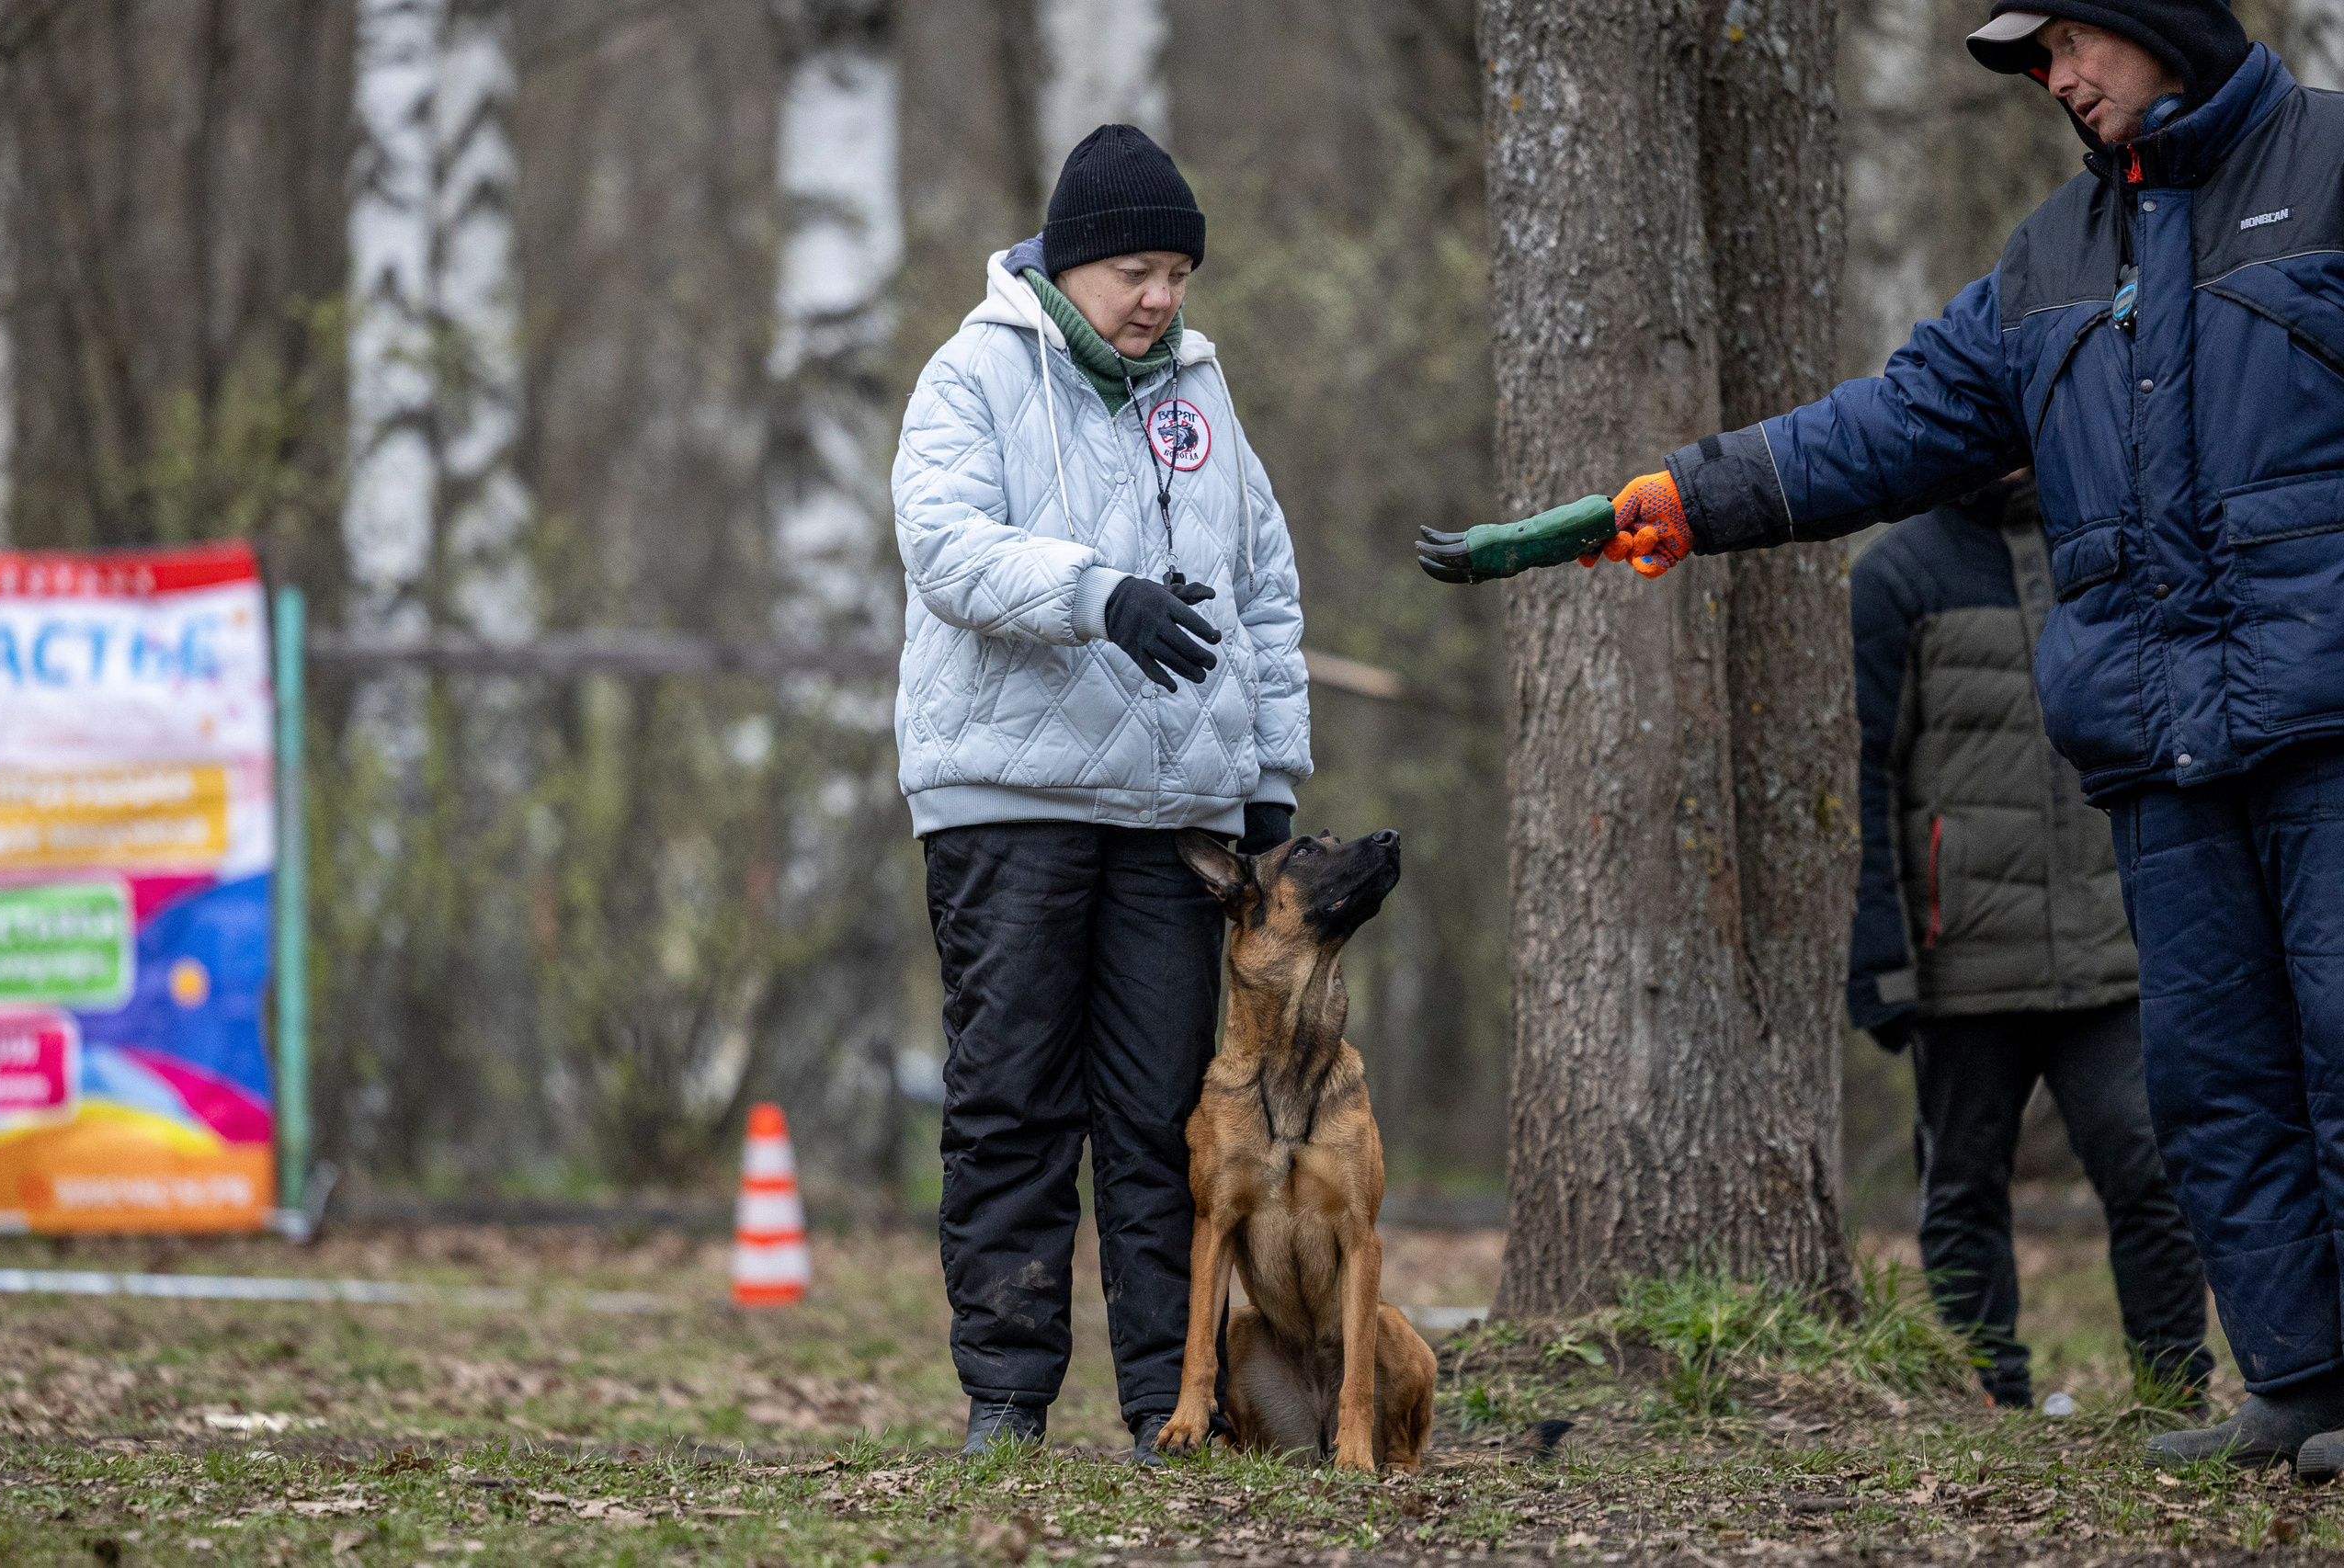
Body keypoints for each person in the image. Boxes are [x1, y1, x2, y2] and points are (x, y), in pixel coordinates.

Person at [1425, 0, 2344, 1471]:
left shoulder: (2336, 168)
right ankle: (2304, 1380)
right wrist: (1681, 494)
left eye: (2069, 47)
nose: (2055, 81)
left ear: (2157, 19)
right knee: (2213, 1074)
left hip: (2325, 716)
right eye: (2032, 61)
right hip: (2160, 742)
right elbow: (1896, 419)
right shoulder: (2051, 258)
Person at [892, 123, 1311, 1464]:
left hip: (1170, 815)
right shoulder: (971, 374)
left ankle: (1164, 1406)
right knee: (1012, 1098)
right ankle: (1005, 1398)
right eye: (1136, 268)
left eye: (1178, 273)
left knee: (1160, 1117)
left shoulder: (1204, 393)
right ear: (1071, 265)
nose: (1160, 298)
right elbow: (949, 548)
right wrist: (1098, 595)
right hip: (1003, 797)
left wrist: (1268, 779)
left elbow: (1265, 590)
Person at [1849, 471, 2211, 1411]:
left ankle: (2174, 1390)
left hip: (2108, 948)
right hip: (1960, 959)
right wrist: (1881, 957)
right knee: (1961, 1184)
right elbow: (1864, 774)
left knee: (2153, 1169)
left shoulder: (2105, 555)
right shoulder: (1896, 575)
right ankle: (1990, 1395)